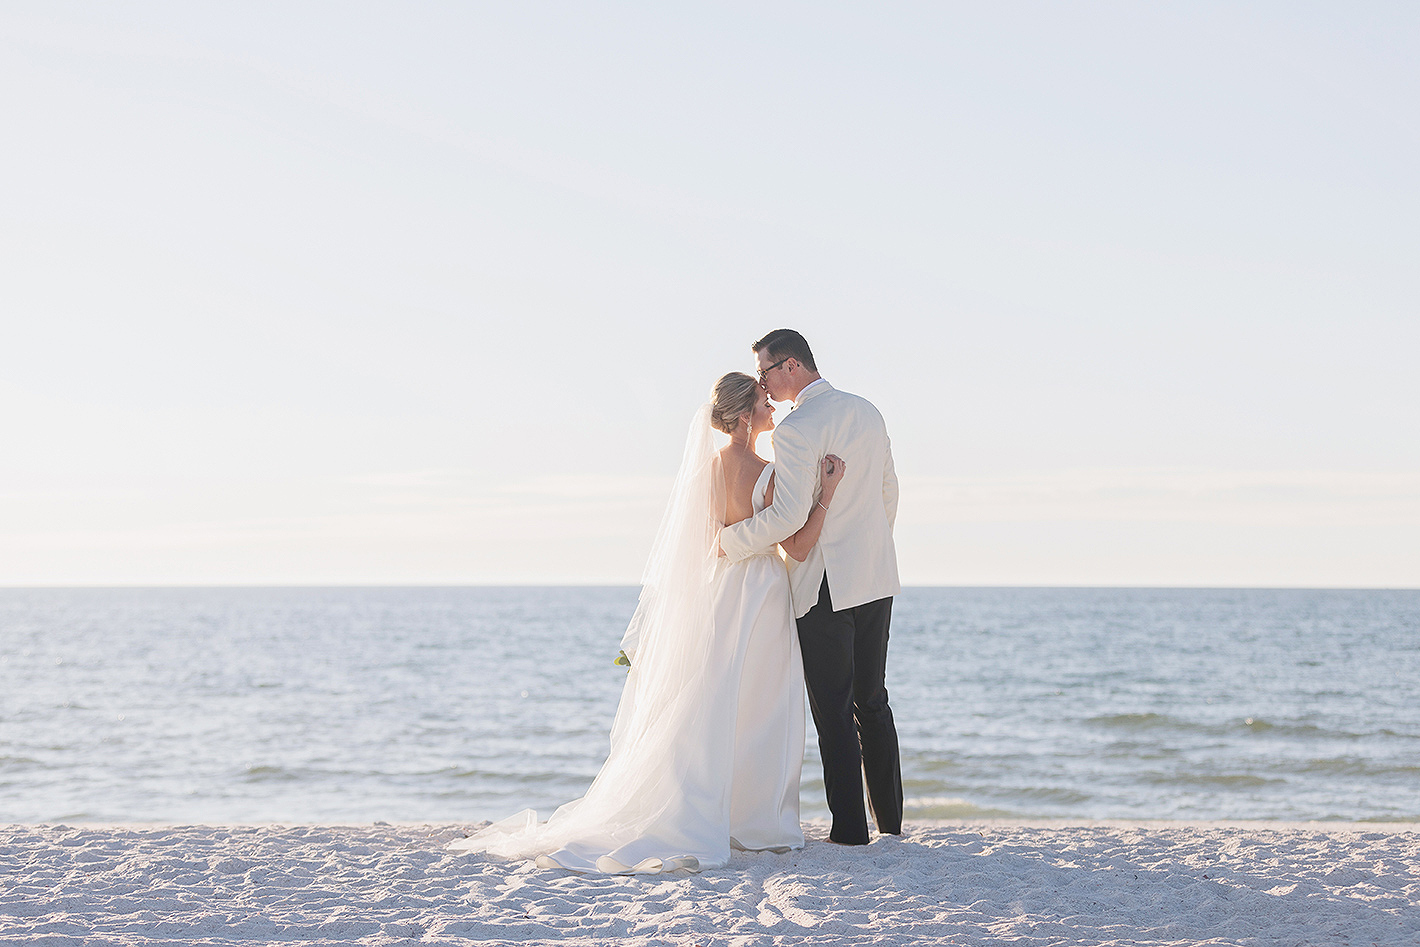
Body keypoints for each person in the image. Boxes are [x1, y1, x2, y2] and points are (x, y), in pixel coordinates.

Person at [449, 372, 845, 873]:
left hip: (719, 594)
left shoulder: (702, 475)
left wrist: (731, 539)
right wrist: (825, 494)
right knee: (762, 706)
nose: (773, 409)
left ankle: (708, 806)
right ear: (745, 416)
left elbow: (704, 545)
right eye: (765, 402)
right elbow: (797, 545)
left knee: (711, 700)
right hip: (761, 594)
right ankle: (756, 821)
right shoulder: (768, 473)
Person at [718, 329, 902, 846]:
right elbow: (889, 492)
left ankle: (850, 833)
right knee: (874, 700)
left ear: (792, 366)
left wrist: (730, 542)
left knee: (834, 709)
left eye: (765, 371)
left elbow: (786, 516)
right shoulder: (868, 411)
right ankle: (891, 826)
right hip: (876, 575)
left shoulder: (796, 429)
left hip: (822, 584)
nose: (763, 383)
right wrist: (870, 547)